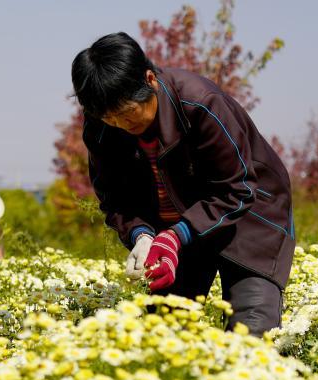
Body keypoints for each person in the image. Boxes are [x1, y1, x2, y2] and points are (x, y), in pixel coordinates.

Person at [71, 32, 296, 337]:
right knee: (161, 334)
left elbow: (238, 189)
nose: (122, 125)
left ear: (150, 80)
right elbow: (115, 199)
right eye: (110, 119)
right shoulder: (101, 126)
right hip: (176, 230)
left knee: (251, 334)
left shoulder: (201, 103)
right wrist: (142, 235)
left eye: (127, 114)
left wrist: (175, 236)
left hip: (250, 217)